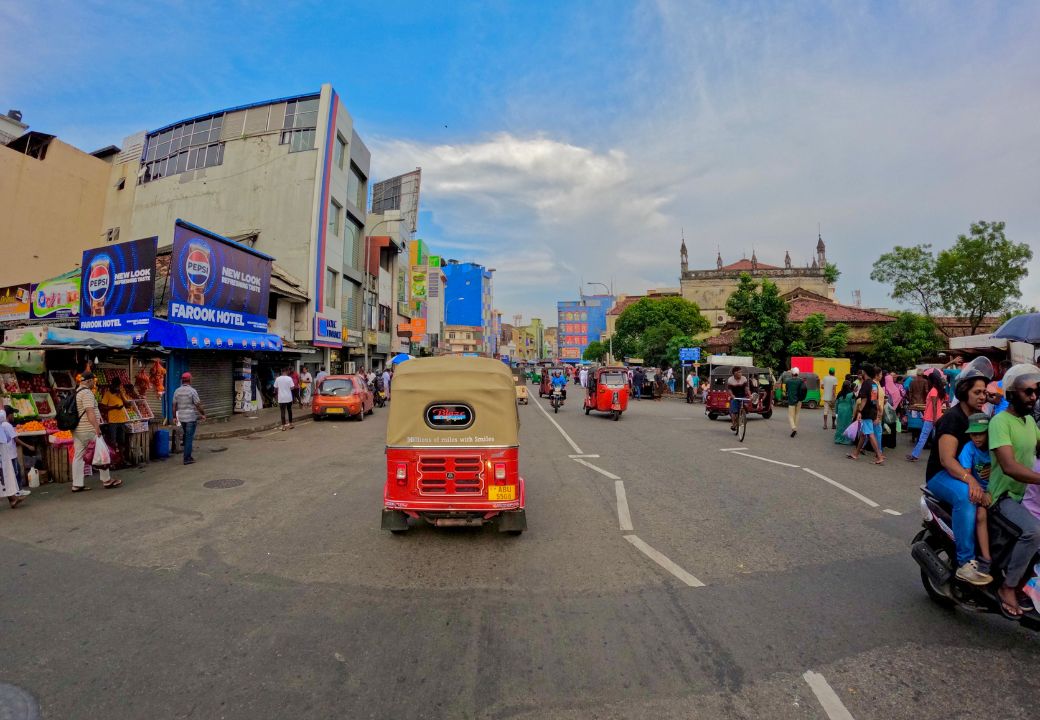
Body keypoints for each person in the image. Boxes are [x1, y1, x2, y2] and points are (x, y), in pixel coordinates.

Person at [923, 357, 994, 587]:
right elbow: (946, 460)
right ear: (964, 392)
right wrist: (970, 480)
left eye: (985, 392)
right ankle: (965, 563)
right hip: (941, 475)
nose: (983, 396)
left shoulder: (980, 420)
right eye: (978, 392)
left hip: (966, 473)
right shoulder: (953, 419)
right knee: (966, 497)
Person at [984, 363, 1040, 618]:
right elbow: (1009, 466)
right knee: (1033, 532)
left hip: (1024, 495)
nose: (1033, 397)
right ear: (1011, 394)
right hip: (1003, 496)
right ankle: (1007, 587)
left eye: (1035, 392)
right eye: (1027, 392)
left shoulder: (1029, 422)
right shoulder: (1000, 422)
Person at [71, 372, 121, 491]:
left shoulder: (77, 392)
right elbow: (89, 411)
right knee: (102, 452)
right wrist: (96, 427)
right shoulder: (87, 393)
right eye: (93, 381)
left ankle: (77, 484)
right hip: (88, 429)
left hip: (77, 430)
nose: (94, 383)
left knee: (78, 456)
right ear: (88, 381)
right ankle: (106, 480)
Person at [848, 364, 884, 464]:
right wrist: (879, 410)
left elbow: (864, 400)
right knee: (864, 434)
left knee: (870, 434)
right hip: (873, 411)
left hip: (867, 412)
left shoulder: (865, 384)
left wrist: (859, 411)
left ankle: (879, 457)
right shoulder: (873, 384)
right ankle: (855, 454)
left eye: (862, 371)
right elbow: (874, 399)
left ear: (865, 372)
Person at [907, 370, 946, 462]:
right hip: (936, 417)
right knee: (936, 437)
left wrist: (934, 418)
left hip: (931, 417)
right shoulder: (939, 390)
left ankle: (915, 455)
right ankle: (940, 457)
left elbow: (934, 405)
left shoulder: (933, 391)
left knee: (923, 437)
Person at [173, 372, 207, 464]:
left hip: (182, 418)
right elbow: (198, 404)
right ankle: (187, 458)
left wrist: (174, 417)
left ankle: (188, 456)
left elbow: (174, 405)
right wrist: (203, 414)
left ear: (182, 380)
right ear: (190, 380)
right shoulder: (192, 391)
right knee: (189, 438)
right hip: (190, 418)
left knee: (186, 436)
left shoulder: (177, 391)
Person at [0, 407, 30, 508]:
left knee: (7, 474)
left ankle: (13, 498)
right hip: (5, 449)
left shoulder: (3, 423)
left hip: (4, 447)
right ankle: (14, 496)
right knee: (9, 473)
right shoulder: (5, 422)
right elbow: (2, 416)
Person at [99, 379, 129, 460]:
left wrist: (122, 395)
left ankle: (121, 458)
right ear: (112, 385)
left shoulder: (121, 393)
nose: (117, 388)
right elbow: (102, 407)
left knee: (122, 441)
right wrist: (114, 407)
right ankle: (113, 459)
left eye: (118, 386)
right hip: (113, 421)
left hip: (122, 420)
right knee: (113, 441)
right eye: (116, 386)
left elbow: (127, 405)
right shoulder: (107, 394)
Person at [785, 367, 806, 437]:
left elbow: (787, 390)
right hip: (799, 400)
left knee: (791, 416)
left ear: (792, 373)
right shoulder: (801, 381)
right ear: (798, 373)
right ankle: (795, 429)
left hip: (791, 400)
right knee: (797, 415)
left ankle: (793, 428)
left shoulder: (788, 381)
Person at [727, 366, 749, 431]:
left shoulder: (744, 378)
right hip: (735, 396)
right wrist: (732, 395)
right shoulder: (730, 379)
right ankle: (734, 424)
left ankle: (743, 417)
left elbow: (746, 388)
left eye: (741, 372)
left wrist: (749, 394)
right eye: (739, 372)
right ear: (734, 373)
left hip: (743, 396)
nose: (741, 373)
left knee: (746, 405)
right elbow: (729, 389)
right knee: (734, 412)